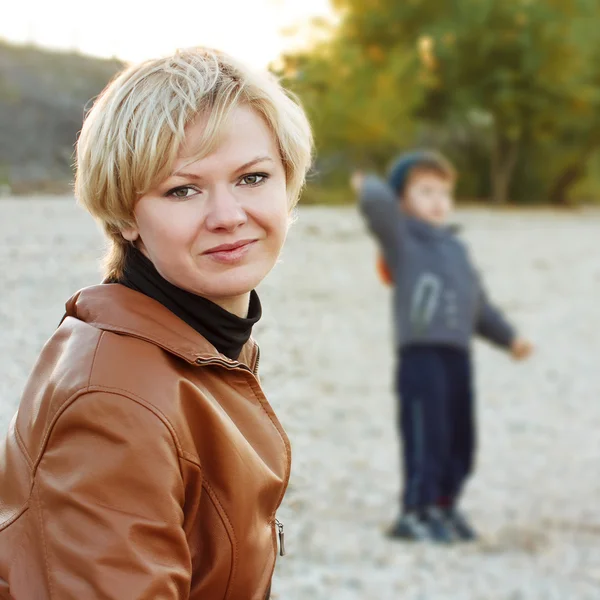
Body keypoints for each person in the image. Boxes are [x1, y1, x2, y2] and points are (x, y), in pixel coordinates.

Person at [0, 47, 312, 599]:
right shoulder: (114, 402)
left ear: (288, 184)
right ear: (125, 217)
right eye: (182, 190)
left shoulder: (194, 345)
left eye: (252, 178)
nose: (227, 216)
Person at [352, 150, 533, 544]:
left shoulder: (456, 250)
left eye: (443, 193)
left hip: (457, 357)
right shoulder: (401, 238)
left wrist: (510, 338)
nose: (437, 201)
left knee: (459, 438)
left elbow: (479, 307)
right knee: (426, 432)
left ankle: (444, 506)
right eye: (425, 191)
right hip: (420, 355)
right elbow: (378, 206)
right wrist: (368, 183)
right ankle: (415, 511)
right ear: (403, 200)